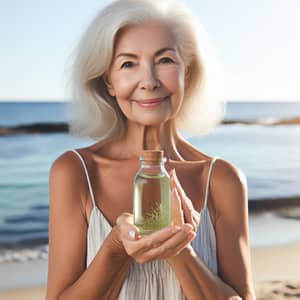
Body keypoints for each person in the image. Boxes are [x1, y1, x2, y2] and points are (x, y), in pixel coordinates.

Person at [46, 0, 256, 299]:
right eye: (128, 64)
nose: (149, 81)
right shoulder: (75, 172)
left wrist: (179, 248)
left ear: (189, 73)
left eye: (165, 60)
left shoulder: (223, 178)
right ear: (109, 82)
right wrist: (116, 248)